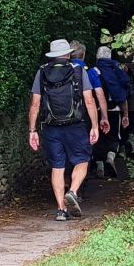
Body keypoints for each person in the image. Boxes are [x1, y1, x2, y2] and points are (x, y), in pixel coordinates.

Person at [28, 39, 99, 221]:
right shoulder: (77, 70)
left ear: (52, 55)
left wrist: (32, 130)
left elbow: (35, 104)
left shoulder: (42, 72)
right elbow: (89, 100)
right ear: (68, 54)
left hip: (51, 127)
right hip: (76, 125)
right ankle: (73, 191)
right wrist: (95, 126)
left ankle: (61, 209)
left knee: (57, 167)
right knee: (82, 160)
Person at [69, 41, 111, 178]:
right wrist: (104, 117)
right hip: (83, 116)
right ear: (84, 55)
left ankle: (66, 180)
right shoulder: (90, 72)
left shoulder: (59, 70)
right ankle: (78, 184)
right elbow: (99, 94)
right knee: (82, 150)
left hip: (59, 116)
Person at [94, 46, 130, 177]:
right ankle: (110, 157)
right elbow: (123, 94)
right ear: (110, 57)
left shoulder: (94, 71)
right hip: (115, 109)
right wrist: (126, 114)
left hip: (97, 110)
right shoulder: (117, 70)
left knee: (98, 138)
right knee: (114, 136)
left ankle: (99, 165)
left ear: (97, 57)